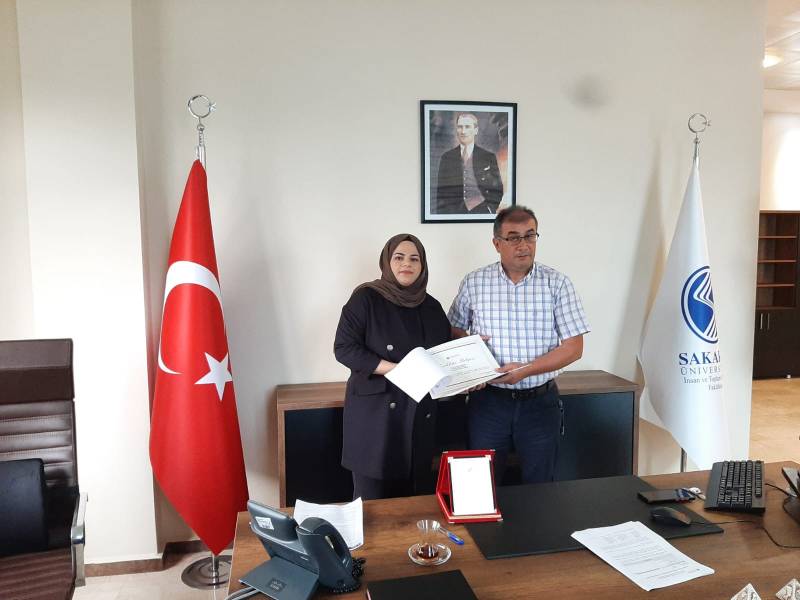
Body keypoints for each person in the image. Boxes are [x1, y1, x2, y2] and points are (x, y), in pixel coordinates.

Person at [448, 206, 589, 485]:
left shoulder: (557, 283)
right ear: (496, 243)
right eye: (513, 237)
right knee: (481, 485)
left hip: (540, 404)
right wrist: (472, 353)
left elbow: (574, 347)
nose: (523, 245)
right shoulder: (475, 282)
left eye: (530, 235)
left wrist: (526, 369)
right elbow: (454, 328)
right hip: (488, 403)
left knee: (541, 486)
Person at [334, 234, 451, 500]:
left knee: (414, 502)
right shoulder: (365, 298)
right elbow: (344, 348)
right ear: (387, 262)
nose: (406, 264)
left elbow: (443, 355)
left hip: (418, 414)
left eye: (414, 259)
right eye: (399, 257)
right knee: (371, 504)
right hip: (375, 417)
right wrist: (395, 368)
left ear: (422, 266)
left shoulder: (432, 307)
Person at [436, 113, 503, 215]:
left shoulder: (488, 157)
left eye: (467, 127)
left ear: (476, 130)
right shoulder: (447, 157)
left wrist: (490, 208)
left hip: (482, 210)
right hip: (453, 213)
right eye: (460, 127)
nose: (463, 131)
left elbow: (498, 189)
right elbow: (440, 192)